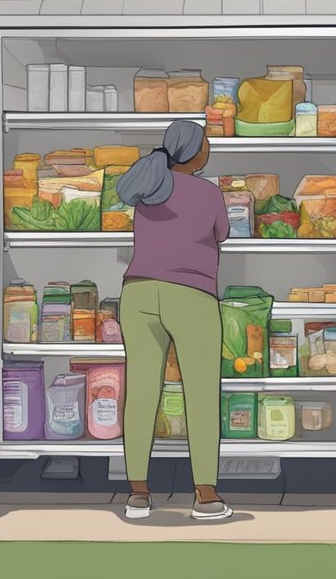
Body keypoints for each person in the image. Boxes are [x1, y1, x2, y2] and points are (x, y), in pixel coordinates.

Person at [115, 121, 234, 522]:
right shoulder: (209, 192)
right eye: (206, 145)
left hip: (139, 295)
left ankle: (137, 494)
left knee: (142, 393)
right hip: (191, 297)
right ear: (196, 153)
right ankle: (205, 495)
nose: (209, 151)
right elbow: (223, 233)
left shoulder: (147, 185)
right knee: (200, 393)